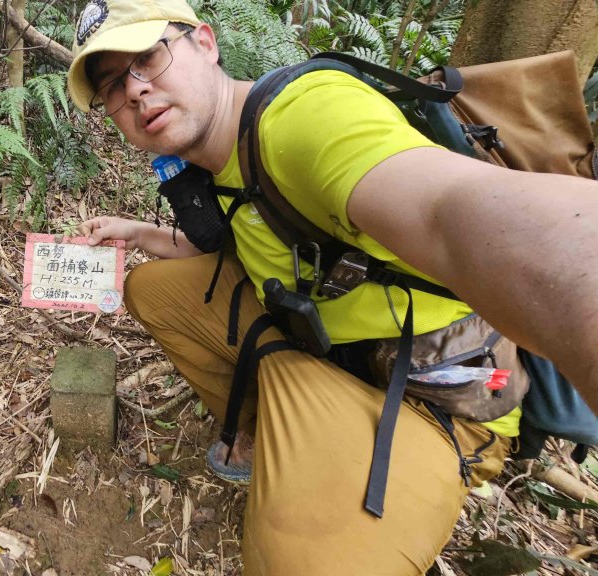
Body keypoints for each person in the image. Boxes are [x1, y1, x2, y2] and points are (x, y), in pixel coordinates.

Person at [65, 0, 598, 574]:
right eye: (114, 85)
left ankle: (351, 465)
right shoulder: (210, 155)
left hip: (431, 396)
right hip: (329, 348)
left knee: (295, 561)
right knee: (152, 288)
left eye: (148, 57)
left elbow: (454, 212)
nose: (137, 90)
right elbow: (231, 243)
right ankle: (268, 427)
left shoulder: (307, 118)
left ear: (205, 42)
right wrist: (136, 232)